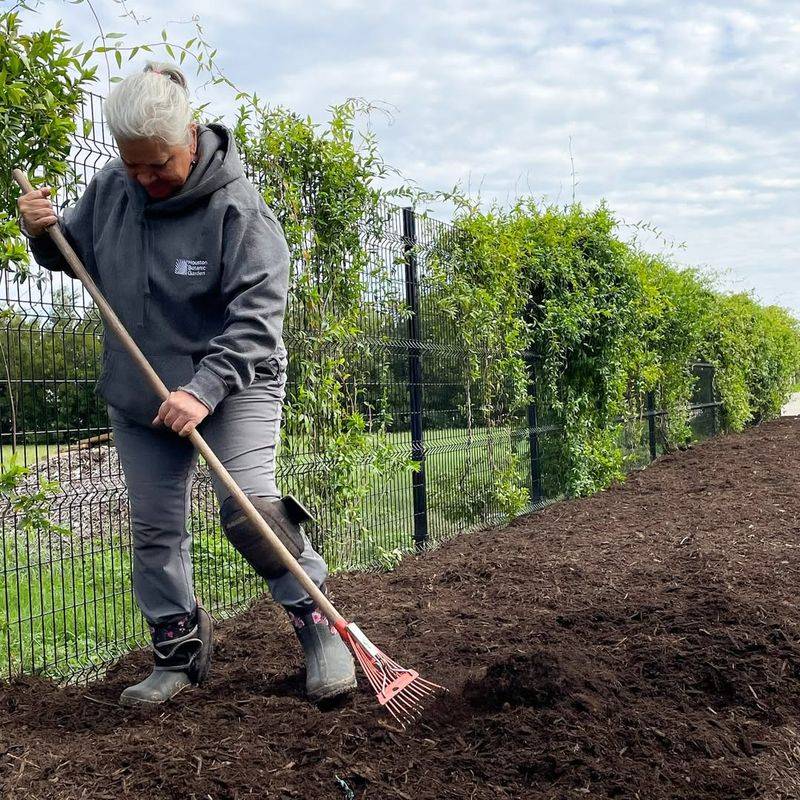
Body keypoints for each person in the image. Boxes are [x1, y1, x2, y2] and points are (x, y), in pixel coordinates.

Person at [17, 62, 356, 707]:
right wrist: (42, 232)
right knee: (154, 527)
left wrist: (202, 389)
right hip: (142, 389)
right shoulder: (114, 186)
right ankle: (178, 650)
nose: (143, 180)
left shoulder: (238, 209)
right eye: (132, 166)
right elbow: (73, 256)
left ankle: (320, 625)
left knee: (250, 509)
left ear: (191, 138)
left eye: (158, 166)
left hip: (234, 380)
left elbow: (258, 318)